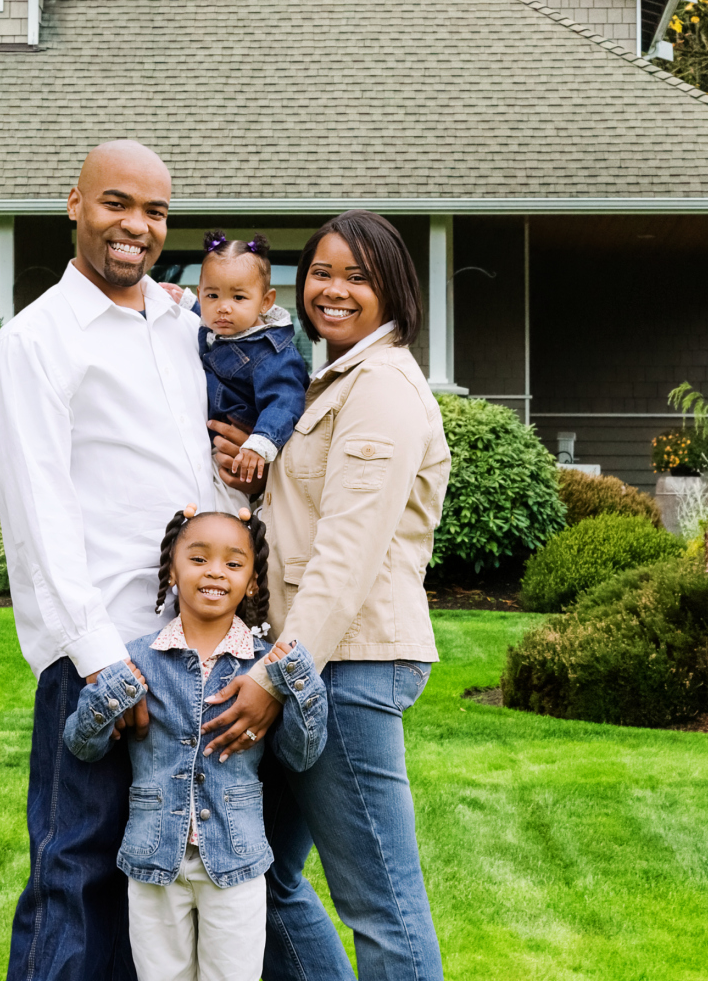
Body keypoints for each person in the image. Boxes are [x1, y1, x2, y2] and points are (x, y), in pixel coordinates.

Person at [0, 139, 226, 981]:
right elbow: (37, 515)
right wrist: (97, 663)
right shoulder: (34, 342)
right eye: (117, 203)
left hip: (189, 651)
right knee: (73, 874)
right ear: (74, 205)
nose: (137, 226)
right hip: (100, 656)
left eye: (155, 212)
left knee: (161, 885)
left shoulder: (180, 324)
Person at [201, 210, 451, 981]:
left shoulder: (379, 389)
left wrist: (279, 674)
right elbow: (308, 515)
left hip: (344, 667)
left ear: (393, 290)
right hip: (309, 659)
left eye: (357, 276)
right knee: (251, 873)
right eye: (320, 272)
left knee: (379, 900)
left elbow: (346, 552)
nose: (333, 291)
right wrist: (248, 465)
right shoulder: (329, 380)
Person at [63, 505, 327, 981]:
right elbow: (83, 744)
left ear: (252, 582)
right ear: (172, 569)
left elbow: (301, 754)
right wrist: (117, 691)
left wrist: (299, 678)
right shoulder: (137, 658)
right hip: (153, 861)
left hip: (235, 860)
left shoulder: (264, 671)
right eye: (199, 558)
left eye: (233, 563)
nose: (215, 573)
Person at [195, 232, 311, 488]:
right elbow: (200, 312)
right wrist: (178, 300)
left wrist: (260, 442)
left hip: (244, 451)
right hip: (204, 445)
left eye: (238, 297)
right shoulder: (216, 326)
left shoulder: (271, 353)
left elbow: (285, 402)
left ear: (265, 302)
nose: (223, 307)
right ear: (200, 293)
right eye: (212, 296)